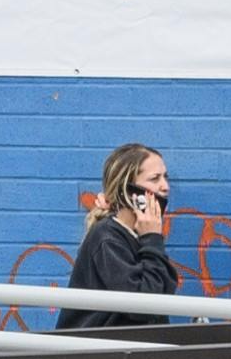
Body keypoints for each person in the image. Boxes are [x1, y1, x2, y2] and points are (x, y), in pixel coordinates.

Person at [60, 142, 200, 341]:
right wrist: (152, 239)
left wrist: (151, 239)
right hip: (98, 356)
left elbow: (164, 292)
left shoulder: (136, 235)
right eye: (154, 179)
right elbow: (142, 305)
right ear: (129, 190)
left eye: (165, 177)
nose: (165, 187)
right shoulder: (107, 238)